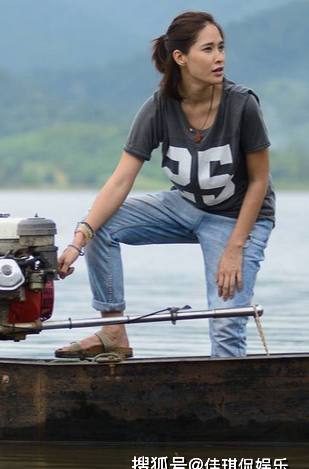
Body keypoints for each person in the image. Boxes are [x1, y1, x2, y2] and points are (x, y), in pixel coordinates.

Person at [55, 11, 275, 359]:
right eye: (208, 49)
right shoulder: (159, 107)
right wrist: (77, 241)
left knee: (226, 321)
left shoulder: (242, 104)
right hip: (185, 206)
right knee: (102, 226)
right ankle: (113, 330)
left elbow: (260, 180)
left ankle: (229, 404)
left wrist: (235, 247)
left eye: (221, 47)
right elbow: (120, 181)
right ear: (181, 58)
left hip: (238, 219)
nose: (219, 57)